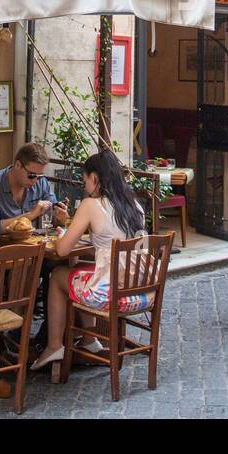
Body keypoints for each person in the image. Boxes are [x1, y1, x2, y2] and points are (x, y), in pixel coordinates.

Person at [29, 152, 147, 371]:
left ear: (94, 177)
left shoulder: (91, 204)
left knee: (57, 277)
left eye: (85, 180)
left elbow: (63, 249)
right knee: (81, 271)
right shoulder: (134, 204)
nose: (84, 186)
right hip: (139, 291)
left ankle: (54, 345)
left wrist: (62, 233)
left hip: (111, 293)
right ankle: (88, 339)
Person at [0, 142, 69, 239]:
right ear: (18, 165)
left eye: (39, 175)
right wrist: (30, 215)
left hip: (30, 247)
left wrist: (60, 218)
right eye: (31, 175)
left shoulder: (41, 183)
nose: (35, 180)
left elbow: (52, 220)